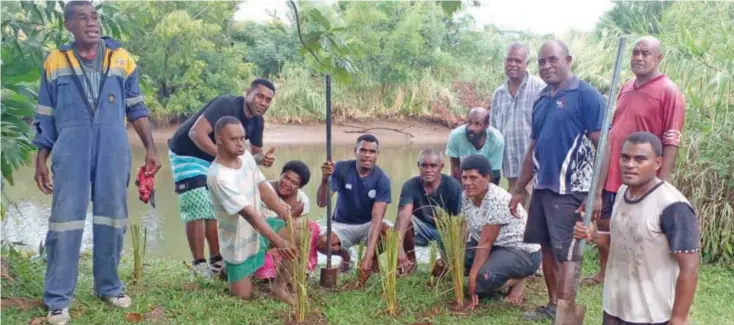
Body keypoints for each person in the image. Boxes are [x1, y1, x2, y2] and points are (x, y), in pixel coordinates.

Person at [31, 2, 162, 324]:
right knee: (65, 223)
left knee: (112, 219)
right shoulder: (55, 61)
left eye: (95, 17)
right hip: (70, 147)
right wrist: (41, 159)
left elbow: (137, 107)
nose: (91, 23)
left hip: (113, 146)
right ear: (68, 25)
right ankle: (58, 299)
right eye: (82, 18)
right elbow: (45, 116)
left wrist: (150, 148)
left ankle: (109, 287)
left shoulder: (122, 59)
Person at [508, 40, 606, 321]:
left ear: (569, 60)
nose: (547, 66)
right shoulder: (542, 98)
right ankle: (553, 306)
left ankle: (567, 315)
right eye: (541, 61)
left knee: (568, 255)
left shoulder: (587, 96)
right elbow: (532, 148)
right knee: (547, 248)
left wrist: (595, 193)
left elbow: (604, 146)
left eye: (553, 59)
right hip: (542, 188)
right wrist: (517, 190)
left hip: (572, 191)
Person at [580, 36, 687, 286]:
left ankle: (636, 274)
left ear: (658, 58)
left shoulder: (668, 92)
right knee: (607, 222)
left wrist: (660, 187)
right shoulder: (626, 87)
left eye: (645, 53)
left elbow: (671, 141)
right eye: (635, 52)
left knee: (640, 226)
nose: (638, 57)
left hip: (642, 175)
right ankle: (605, 272)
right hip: (615, 170)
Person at [574, 132, 700, 325]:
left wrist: (678, 318)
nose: (630, 164)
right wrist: (594, 235)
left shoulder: (672, 207)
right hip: (616, 305)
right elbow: (625, 237)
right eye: (625, 157)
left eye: (640, 159)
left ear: (657, 163)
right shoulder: (624, 192)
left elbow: (689, 268)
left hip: (651, 314)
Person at [167, 78, 278, 279]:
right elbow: (196, 133)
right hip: (187, 153)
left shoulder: (257, 122)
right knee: (197, 204)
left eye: (268, 99)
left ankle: (216, 260)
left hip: (216, 159)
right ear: (248, 93)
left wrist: (262, 159)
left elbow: (252, 158)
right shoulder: (226, 105)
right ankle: (199, 264)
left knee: (214, 207)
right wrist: (222, 159)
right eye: (260, 96)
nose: (263, 102)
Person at [206, 116, 299, 304]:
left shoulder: (246, 155)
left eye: (243, 138)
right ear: (219, 139)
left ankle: (278, 287)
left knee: (298, 232)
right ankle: (229, 269)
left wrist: (285, 213)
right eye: (234, 139)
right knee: (244, 298)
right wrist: (278, 240)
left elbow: (262, 186)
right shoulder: (219, 176)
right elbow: (248, 214)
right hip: (237, 241)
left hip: (259, 230)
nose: (241, 144)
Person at [460, 155, 541, 308]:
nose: (467, 183)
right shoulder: (466, 196)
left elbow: (486, 242)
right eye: (464, 178)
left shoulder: (496, 199)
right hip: (494, 247)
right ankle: (497, 271)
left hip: (520, 250)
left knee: (479, 282)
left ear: (487, 178)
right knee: (457, 263)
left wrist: (472, 277)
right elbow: (471, 230)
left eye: (473, 177)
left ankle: (519, 279)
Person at [316, 134, 392, 278]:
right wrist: (325, 179)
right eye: (363, 150)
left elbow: (377, 221)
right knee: (322, 242)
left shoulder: (383, 178)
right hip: (341, 224)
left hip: (368, 224)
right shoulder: (341, 168)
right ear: (355, 151)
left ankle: (373, 259)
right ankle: (346, 256)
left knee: (391, 232)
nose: (367, 155)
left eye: (372, 152)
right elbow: (321, 203)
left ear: (377, 154)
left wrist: (368, 257)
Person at [490, 42, 546, 209]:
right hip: (511, 173)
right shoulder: (498, 94)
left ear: (526, 64)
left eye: (518, 61)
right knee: (513, 221)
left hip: (535, 174)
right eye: (509, 60)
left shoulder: (540, 89)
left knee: (532, 221)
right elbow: (494, 134)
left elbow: (546, 131)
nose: (513, 64)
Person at [395, 148, 462, 275]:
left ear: (441, 167)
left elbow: (459, 221)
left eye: (433, 166)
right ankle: (410, 261)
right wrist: (399, 250)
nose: (428, 170)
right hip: (422, 228)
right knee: (405, 220)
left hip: (446, 229)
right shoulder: (410, 185)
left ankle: (445, 262)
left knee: (446, 268)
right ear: (418, 166)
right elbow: (404, 214)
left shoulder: (453, 186)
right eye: (424, 165)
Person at [255, 160, 320, 281]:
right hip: (262, 238)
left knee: (312, 226)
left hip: (285, 242)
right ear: (280, 175)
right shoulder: (265, 189)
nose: (287, 183)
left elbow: (294, 230)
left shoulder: (302, 200)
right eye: (285, 178)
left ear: (300, 187)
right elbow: (262, 224)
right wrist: (292, 213)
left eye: (294, 182)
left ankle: (305, 266)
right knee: (267, 265)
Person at [446, 107, 505, 185]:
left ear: (486, 125)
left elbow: (494, 174)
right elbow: (455, 168)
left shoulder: (497, 140)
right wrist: (461, 192)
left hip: (485, 180)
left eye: (477, 124)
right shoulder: (455, 136)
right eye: (469, 123)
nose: (472, 128)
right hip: (463, 178)